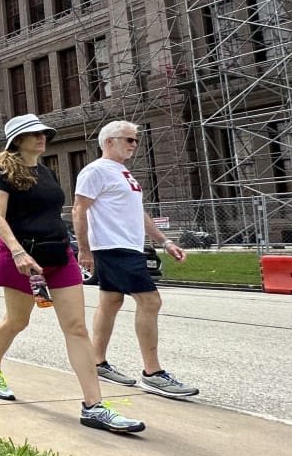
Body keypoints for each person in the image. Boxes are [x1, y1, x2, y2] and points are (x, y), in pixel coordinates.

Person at [0, 114, 145, 434]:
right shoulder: (2, 173)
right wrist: (17, 251)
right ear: (17, 139)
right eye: (34, 134)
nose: (42, 137)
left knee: (76, 327)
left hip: (58, 253)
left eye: (44, 133)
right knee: (17, 321)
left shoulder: (45, 171)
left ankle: (94, 406)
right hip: (22, 257)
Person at [73, 120, 198, 398]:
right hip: (112, 246)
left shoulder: (124, 173)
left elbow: (137, 213)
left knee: (110, 301)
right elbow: (79, 210)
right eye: (128, 139)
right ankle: (152, 373)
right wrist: (84, 249)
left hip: (129, 246)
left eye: (135, 140)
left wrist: (164, 241)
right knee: (150, 300)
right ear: (108, 142)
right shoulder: (95, 171)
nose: (134, 145)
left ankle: (97, 361)